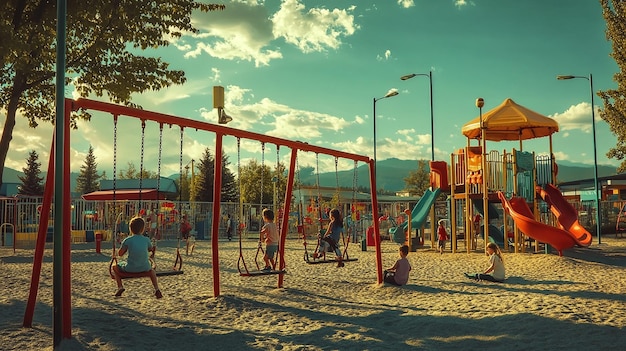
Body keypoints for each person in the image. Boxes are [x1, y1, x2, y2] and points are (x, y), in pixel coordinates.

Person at [112, 216, 162, 299]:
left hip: (130, 268)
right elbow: (150, 250)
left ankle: (120, 287)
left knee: (115, 267)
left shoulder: (128, 240)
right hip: (145, 267)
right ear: (142, 229)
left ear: (130, 229)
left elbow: (120, 254)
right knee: (152, 271)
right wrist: (153, 250)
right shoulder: (146, 240)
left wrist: (115, 253)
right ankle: (157, 289)